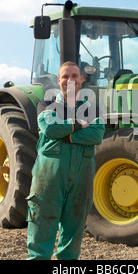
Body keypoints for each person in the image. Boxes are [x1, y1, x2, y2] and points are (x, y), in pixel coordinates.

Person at [26, 61, 105, 260]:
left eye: (74, 76)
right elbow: (50, 128)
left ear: (82, 80)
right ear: (58, 80)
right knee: (42, 224)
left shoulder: (92, 107)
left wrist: (65, 132)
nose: (70, 80)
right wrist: (79, 125)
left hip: (82, 175)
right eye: (65, 76)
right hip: (49, 176)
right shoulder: (46, 104)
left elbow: (96, 135)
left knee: (74, 228)